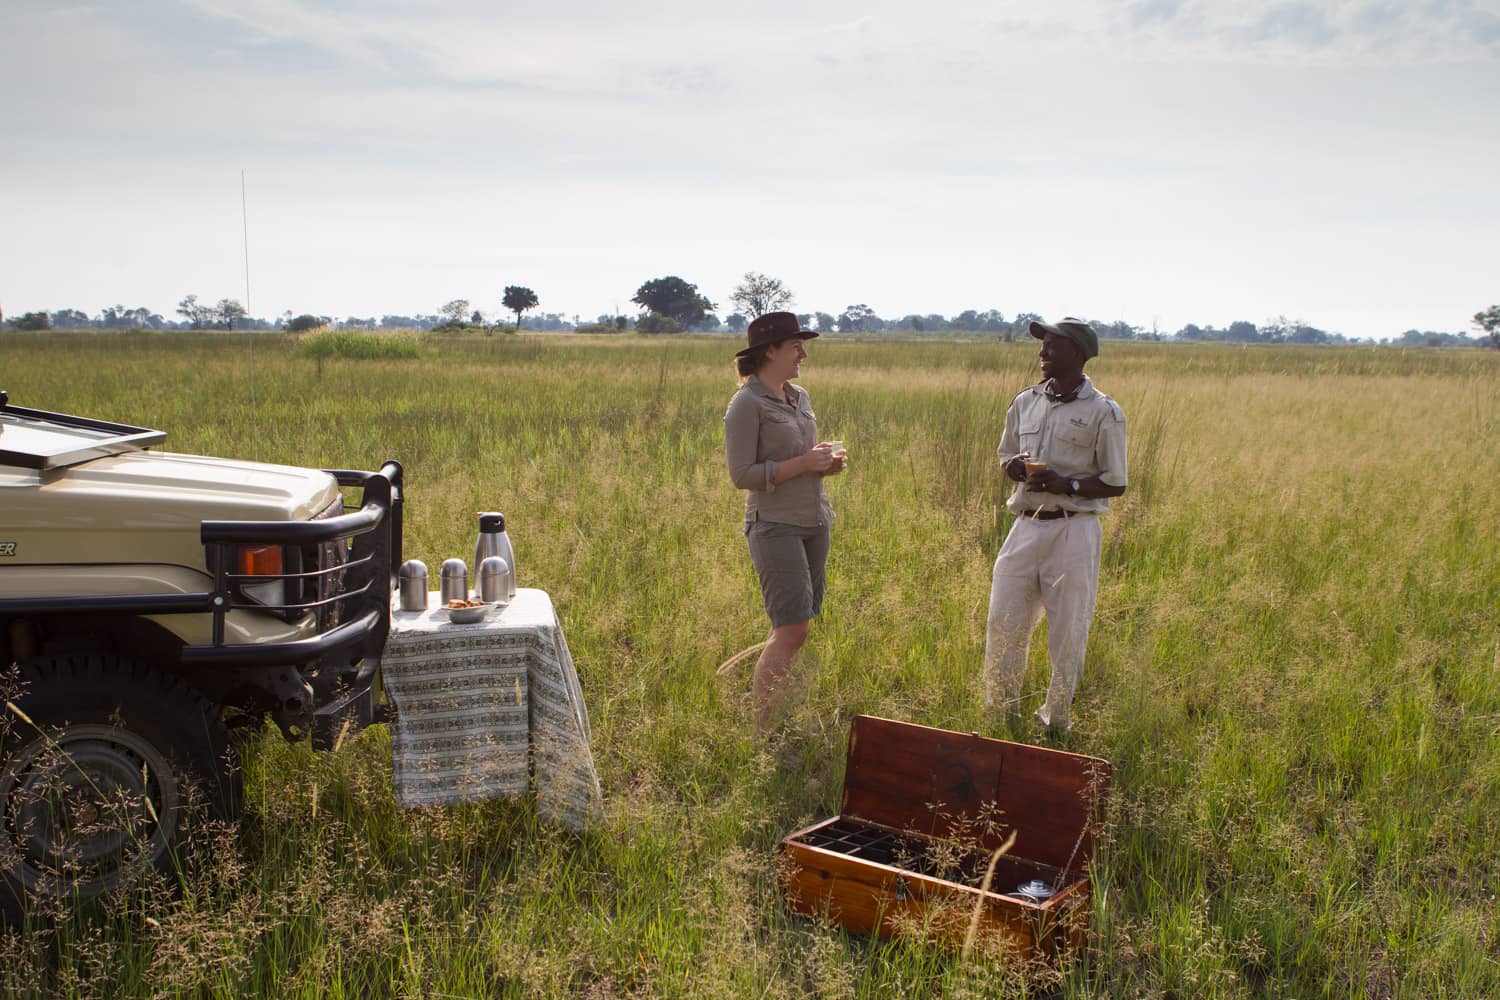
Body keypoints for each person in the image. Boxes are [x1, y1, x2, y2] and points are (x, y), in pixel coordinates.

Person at [984, 317, 1127, 734]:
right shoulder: (1024, 402)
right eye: (1043, 345)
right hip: (1024, 526)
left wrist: (1071, 485)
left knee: (1068, 629)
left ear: (1078, 354)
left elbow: (1116, 483)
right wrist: (1012, 468)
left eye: (1053, 346)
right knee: (1004, 622)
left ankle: (1055, 720)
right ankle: (1000, 713)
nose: (1043, 353)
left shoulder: (1105, 412)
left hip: (1074, 529)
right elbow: (1006, 454)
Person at [723, 311, 847, 733]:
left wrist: (824, 466)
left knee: (798, 627)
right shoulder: (746, 404)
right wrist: (801, 463)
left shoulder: (800, 397)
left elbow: (802, 461)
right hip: (775, 525)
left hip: (815, 520)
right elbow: (742, 476)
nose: (804, 354)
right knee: (790, 629)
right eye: (796, 346)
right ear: (769, 351)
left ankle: (780, 716)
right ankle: (764, 732)